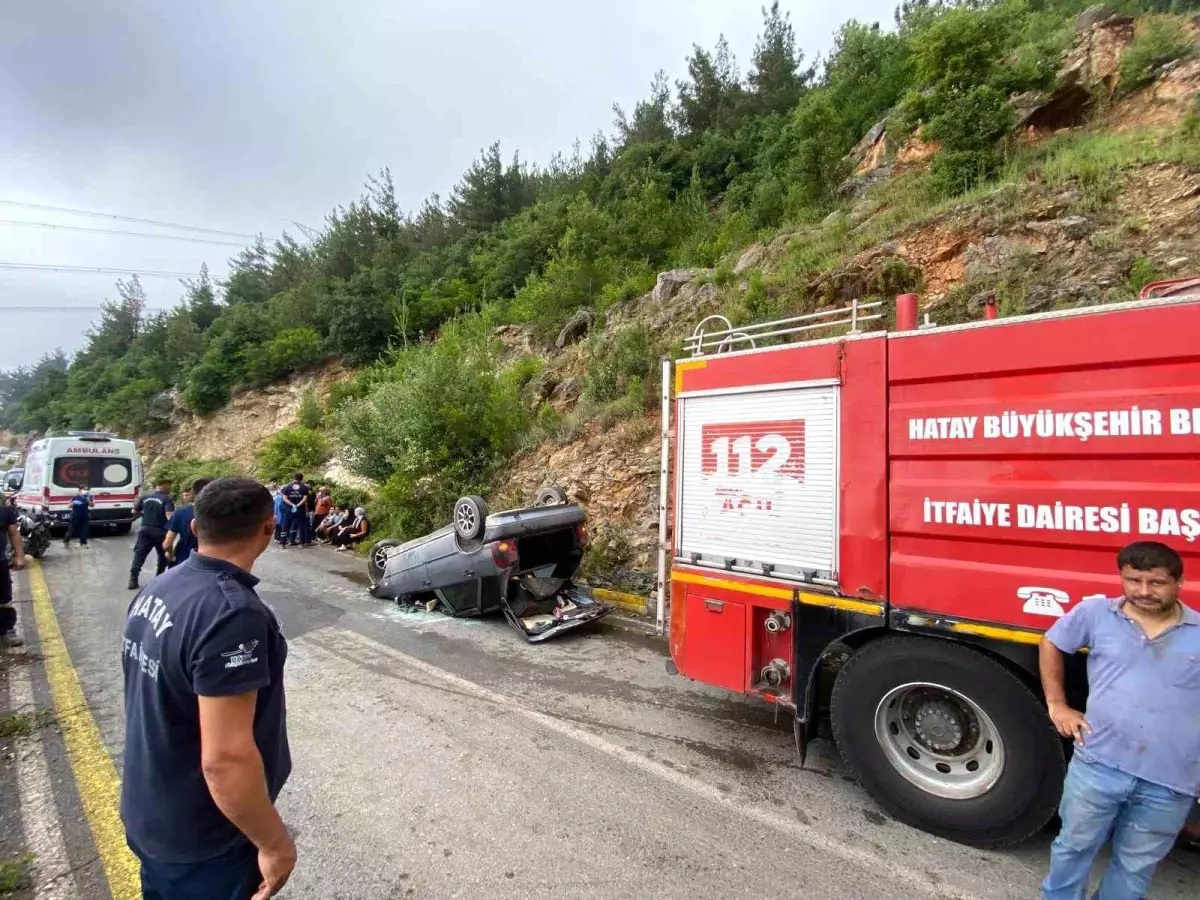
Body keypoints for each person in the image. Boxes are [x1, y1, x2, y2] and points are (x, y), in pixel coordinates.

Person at [121, 476, 295, 900]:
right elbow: (226, 758)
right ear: (268, 529)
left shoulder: (161, 587)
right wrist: (274, 844)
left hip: (151, 810)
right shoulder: (232, 615)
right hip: (204, 837)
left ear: (195, 529)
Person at [1040, 541, 1199, 900]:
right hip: (1098, 765)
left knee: (1135, 866)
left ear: (1179, 582)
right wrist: (1057, 705)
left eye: (1156, 583)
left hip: (1170, 782)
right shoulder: (1096, 613)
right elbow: (1051, 643)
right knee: (1073, 848)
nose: (1143, 591)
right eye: (1133, 580)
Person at [129, 478, 175, 590]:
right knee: (163, 556)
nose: (170, 488)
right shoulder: (167, 499)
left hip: (145, 530)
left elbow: (134, 512)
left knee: (139, 555)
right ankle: (159, 579)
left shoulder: (144, 496)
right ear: (163, 485)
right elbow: (169, 515)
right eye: (169, 485)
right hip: (160, 532)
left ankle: (133, 579)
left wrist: (137, 518)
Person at [164, 479, 213, 568]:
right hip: (211, 564)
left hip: (183, 561)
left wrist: (170, 556)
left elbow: (167, 543)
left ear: (193, 493)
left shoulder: (181, 513)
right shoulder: (221, 514)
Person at [0, 498, 26, 648]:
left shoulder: (4, 510)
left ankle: (7, 632)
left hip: (0, 561)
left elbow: (14, 533)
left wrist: (19, 556)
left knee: (4, 598)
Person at [280, 474, 310, 548]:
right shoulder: (305, 488)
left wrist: (292, 505)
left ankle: (282, 543)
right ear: (302, 479)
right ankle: (301, 543)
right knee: (301, 526)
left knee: (285, 526)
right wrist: (297, 505)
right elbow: (305, 499)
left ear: (294, 478)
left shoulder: (287, 487)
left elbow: (284, 498)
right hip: (300, 510)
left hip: (289, 510)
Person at [64, 484, 95, 548]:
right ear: (80, 490)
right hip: (75, 516)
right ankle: (66, 541)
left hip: (84, 515)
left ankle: (83, 543)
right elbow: (69, 505)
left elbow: (92, 505)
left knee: (84, 530)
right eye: (84, 489)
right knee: (71, 530)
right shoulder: (75, 497)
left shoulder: (89, 496)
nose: (86, 491)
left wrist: (87, 499)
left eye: (87, 489)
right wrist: (74, 503)